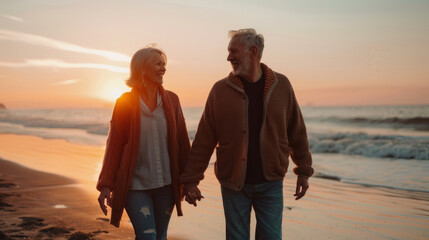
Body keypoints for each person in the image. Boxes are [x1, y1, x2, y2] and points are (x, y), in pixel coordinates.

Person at [180, 28, 314, 240]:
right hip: (233, 182)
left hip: (271, 182)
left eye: (234, 52)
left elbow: (297, 130)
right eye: (228, 52)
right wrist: (191, 180)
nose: (228, 57)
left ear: (253, 51)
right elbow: (204, 138)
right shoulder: (220, 90)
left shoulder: (282, 85)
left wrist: (304, 170)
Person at [96, 46, 190, 240]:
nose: (163, 68)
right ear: (142, 69)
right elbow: (114, 145)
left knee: (160, 237)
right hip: (135, 186)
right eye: (158, 64)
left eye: (164, 64)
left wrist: (190, 182)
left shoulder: (172, 100)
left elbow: (182, 141)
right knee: (147, 236)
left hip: (166, 185)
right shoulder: (125, 102)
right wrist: (106, 185)